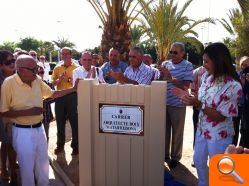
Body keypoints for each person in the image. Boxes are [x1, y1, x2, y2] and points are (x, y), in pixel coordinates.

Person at [0, 54, 78, 186]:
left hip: (39, 129)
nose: (37, 72)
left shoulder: (36, 80)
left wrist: (73, 89)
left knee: (43, 166)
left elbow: (53, 94)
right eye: (34, 69)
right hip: (22, 132)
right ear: (22, 69)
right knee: (27, 170)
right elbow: (3, 112)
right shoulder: (9, 83)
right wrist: (28, 112)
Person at [172, 42, 242, 186]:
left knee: (219, 167)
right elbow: (200, 98)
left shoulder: (233, 85)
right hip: (202, 130)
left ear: (218, 61)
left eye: (206, 61)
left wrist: (197, 104)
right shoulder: (206, 78)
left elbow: (221, 116)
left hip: (219, 134)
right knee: (198, 161)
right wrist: (188, 97)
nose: (203, 65)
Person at [159, 42, 193, 168]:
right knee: (164, 131)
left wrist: (171, 78)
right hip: (163, 103)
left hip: (178, 104)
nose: (172, 54)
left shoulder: (188, 65)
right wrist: (161, 75)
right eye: (171, 52)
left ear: (183, 53)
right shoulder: (165, 64)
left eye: (176, 52)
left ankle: (175, 157)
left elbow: (186, 86)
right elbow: (160, 81)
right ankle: (164, 155)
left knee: (177, 132)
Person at [51, 47, 79, 155]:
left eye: (66, 54)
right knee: (60, 122)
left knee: (74, 121)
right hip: (60, 97)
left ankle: (76, 146)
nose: (64, 56)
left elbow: (79, 84)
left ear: (71, 55)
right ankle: (60, 145)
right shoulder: (57, 68)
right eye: (62, 54)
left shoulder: (77, 68)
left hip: (72, 96)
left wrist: (69, 80)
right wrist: (59, 79)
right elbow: (53, 83)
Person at [0, 50, 17, 184]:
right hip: (3, 115)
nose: (12, 64)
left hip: (12, 115)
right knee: (6, 143)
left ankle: (10, 169)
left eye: (13, 60)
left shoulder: (17, 76)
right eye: (8, 62)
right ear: (1, 65)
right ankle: (6, 170)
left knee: (9, 144)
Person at [37, 64, 54, 142]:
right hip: (33, 118)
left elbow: (54, 97)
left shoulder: (48, 84)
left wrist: (43, 99)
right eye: (38, 72)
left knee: (45, 136)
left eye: (42, 72)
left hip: (46, 115)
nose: (40, 74)